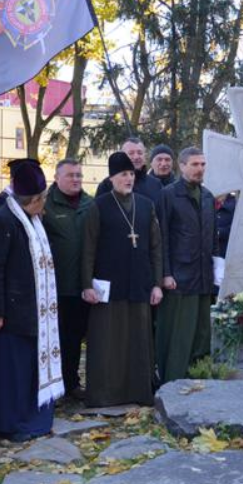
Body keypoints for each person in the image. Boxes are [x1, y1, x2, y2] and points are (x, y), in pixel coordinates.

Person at [0, 159, 65, 442]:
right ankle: (10, 423)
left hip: (35, 311)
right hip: (12, 312)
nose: (45, 206)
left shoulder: (33, 220)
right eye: (43, 200)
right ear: (34, 199)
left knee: (30, 368)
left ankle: (34, 420)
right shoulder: (2, 220)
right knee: (12, 372)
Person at [82, 152, 164, 406]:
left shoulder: (146, 205)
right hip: (108, 285)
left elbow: (156, 247)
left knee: (138, 340)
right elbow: (88, 248)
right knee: (109, 341)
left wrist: (157, 283)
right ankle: (105, 395)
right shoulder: (99, 205)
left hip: (139, 282)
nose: (128, 179)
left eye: (131, 174)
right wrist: (86, 284)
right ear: (111, 178)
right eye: (123, 175)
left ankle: (138, 392)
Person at [156, 147, 216, 383]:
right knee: (179, 335)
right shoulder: (169, 195)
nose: (199, 169)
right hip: (179, 278)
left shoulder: (209, 196)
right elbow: (161, 237)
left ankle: (199, 377)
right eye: (194, 164)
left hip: (203, 277)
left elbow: (212, 238)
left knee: (202, 333)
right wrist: (165, 273)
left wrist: (216, 270)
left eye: (202, 164)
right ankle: (173, 381)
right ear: (181, 166)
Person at [42, 158, 94, 401]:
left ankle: (72, 383)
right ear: (57, 177)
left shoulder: (89, 204)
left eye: (79, 175)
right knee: (56, 340)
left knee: (75, 339)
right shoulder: (45, 205)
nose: (76, 180)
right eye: (71, 175)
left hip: (82, 286)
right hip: (55, 286)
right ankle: (53, 386)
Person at [95, 137, 164, 201]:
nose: (136, 157)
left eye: (140, 153)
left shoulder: (156, 185)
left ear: (144, 156)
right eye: (131, 153)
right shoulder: (107, 185)